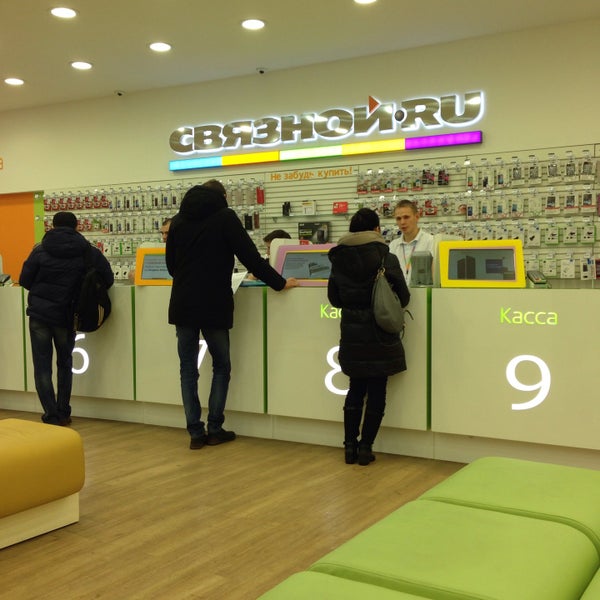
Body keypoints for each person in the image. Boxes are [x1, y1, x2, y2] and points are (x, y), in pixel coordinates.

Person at [166, 180, 298, 450]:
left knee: (187, 369)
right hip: (214, 302)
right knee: (221, 366)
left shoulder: (178, 221)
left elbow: (171, 266)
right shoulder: (225, 218)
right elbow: (252, 258)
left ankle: (195, 432)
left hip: (183, 304)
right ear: (223, 196)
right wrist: (280, 283)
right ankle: (215, 428)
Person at [328, 208, 410, 466]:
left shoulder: (339, 258)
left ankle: (349, 448)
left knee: (355, 389)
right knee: (377, 391)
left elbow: (334, 299)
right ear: (376, 229)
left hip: (352, 333)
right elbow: (404, 296)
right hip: (380, 332)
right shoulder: (385, 256)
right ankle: (365, 448)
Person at [19, 211, 114, 426]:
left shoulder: (40, 250)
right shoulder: (88, 251)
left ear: (52, 226)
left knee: (42, 366)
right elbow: (107, 279)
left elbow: (25, 280)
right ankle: (63, 412)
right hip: (67, 315)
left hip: (39, 315)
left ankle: (51, 414)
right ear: (76, 226)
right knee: (65, 363)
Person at [388, 199, 434, 285]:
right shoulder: (393, 246)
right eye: (398, 218)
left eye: (406, 217)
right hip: (399, 292)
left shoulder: (431, 242)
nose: (402, 222)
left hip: (423, 292)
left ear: (417, 217)